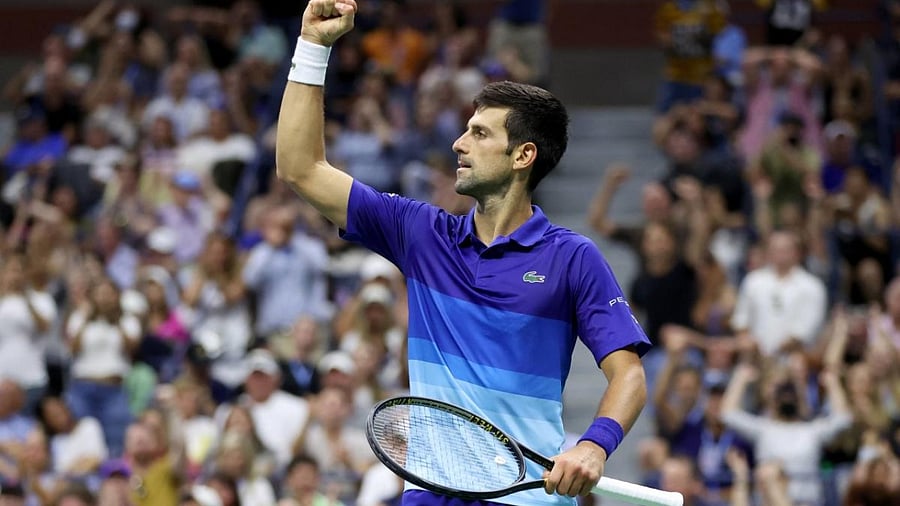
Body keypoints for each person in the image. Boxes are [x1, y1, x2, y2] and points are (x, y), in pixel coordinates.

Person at [275, 2, 651, 505]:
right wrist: (313, 48)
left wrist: (593, 447)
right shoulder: (421, 234)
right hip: (430, 494)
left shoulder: (572, 258)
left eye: (479, 133)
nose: (458, 143)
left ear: (523, 155)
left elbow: (628, 373)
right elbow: (300, 168)